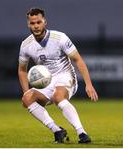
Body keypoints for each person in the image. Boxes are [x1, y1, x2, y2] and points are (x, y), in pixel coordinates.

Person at [18, 7, 98, 144]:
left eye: (38, 22)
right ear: (28, 24)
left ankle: (82, 133)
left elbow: (78, 59)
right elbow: (22, 69)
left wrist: (88, 84)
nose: (36, 26)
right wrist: (26, 92)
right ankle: (57, 131)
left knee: (58, 97)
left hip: (65, 76)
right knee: (26, 99)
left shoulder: (59, 38)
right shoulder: (26, 45)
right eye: (32, 23)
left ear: (45, 22)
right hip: (46, 81)